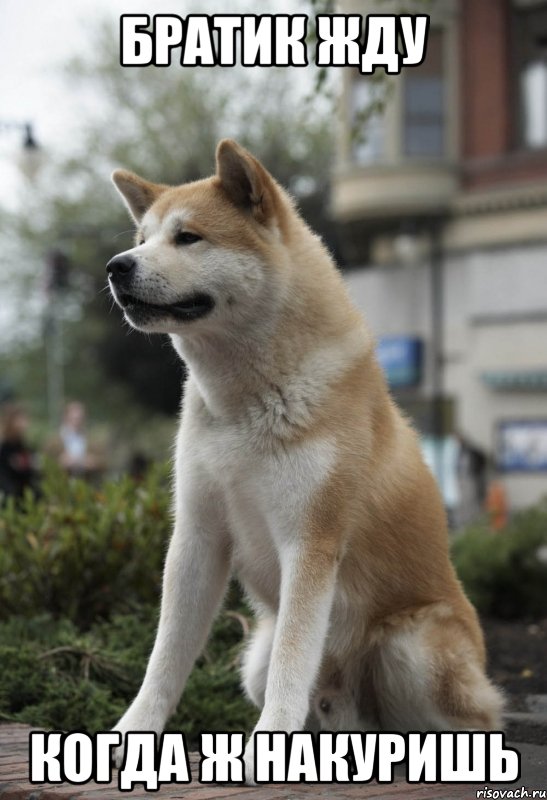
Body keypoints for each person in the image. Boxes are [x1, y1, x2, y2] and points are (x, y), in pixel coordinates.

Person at [0, 404, 39, 501]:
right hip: (10, 495)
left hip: (26, 493)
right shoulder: (5, 447)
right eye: (20, 420)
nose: (24, 424)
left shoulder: (25, 446)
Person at [57, 401, 101, 478]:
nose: (77, 422)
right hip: (62, 483)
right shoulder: (54, 441)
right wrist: (60, 462)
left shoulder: (93, 440)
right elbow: (44, 462)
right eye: (73, 418)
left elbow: (104, 463)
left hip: (86, 482)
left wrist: (93, 462)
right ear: (65, 418)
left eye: (80, 418)